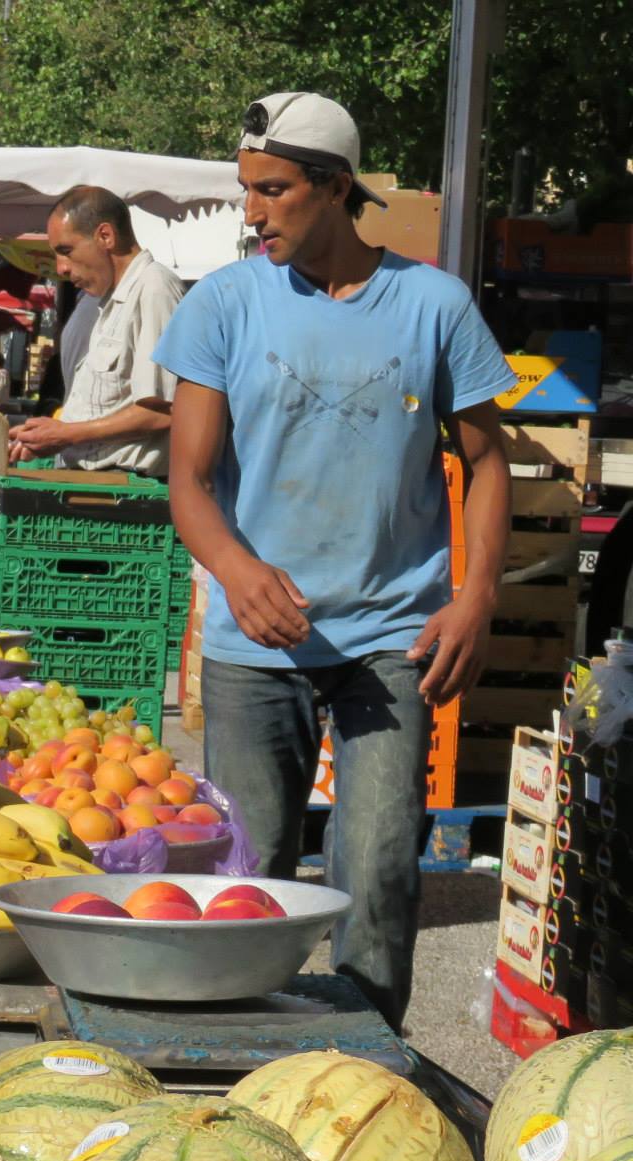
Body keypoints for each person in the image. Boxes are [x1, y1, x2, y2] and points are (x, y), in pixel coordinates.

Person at [155, 91, 514, 1028]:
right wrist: (237, 570)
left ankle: (364, 1073)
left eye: (273, 190)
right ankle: (237, 1071)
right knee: (249, 878)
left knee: (381, 871)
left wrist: (475, 600)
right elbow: (187, 483)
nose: (252, 211)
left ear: (335, 186)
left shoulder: (434, 305)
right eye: (247, 190)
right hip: (254, 644)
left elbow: (486, 460)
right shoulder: (224, 305)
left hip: (393, 638)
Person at [9, 186, 186, 474]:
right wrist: (52, 434)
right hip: (93, 484)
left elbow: (165, 410)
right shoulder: (110, 299)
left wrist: (67, 434)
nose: (61, 268)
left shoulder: (154, 288)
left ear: (105, 236)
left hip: (123, 493)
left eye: (66, 251)